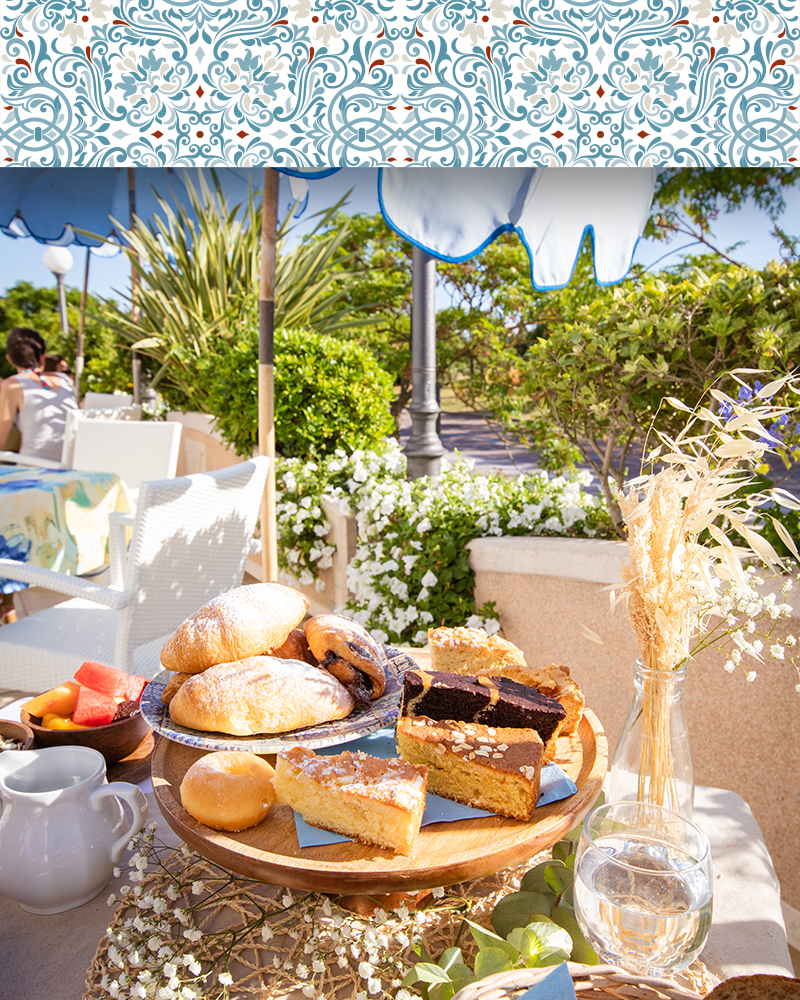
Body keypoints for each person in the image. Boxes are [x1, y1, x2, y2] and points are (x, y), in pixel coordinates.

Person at [0, 327, 78, 463]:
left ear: (9, 359)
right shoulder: (66, 379)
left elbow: (1, 440)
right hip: (71, 465)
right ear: (42, 357)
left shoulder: (12, 384)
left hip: (34, 468)